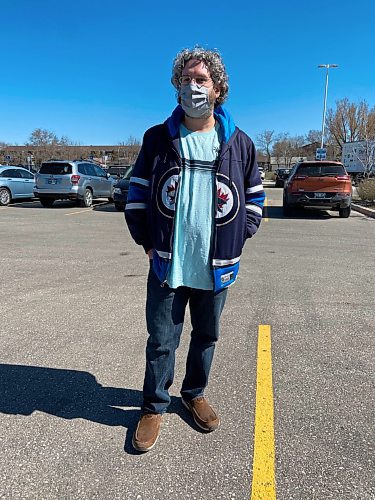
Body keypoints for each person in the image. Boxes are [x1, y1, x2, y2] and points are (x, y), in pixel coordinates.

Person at [125, 47, 265, 452]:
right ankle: (154, 406)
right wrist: (148, 244)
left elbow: (254, 198)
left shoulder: (239, 143)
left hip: (216, 266)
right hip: (169, 264)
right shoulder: (157, 139)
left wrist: (241, 235)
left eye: (201, 80)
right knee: (161, 340)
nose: (192, 87)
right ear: (176, 86)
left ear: (218, 89)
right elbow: (137, 195)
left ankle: (194, 393)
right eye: (185, 79)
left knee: (206, 336)